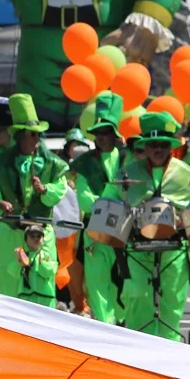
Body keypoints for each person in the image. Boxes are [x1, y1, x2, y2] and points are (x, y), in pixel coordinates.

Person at [97, 111, 190, 339]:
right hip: (138, 247)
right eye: (153, 145)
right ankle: (140, 348)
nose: (158, 149)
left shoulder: (185, 172)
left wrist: (183, 218)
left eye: (163, 145)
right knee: (137, 297)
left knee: (173, 299)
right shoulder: (127, 173)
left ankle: (171, 348)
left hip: (174, 246)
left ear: (170, 147)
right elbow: (108, 199)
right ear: (145, 147)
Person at [0, 94, 68, 299]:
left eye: (38, 134)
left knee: (43, 287)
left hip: (40, 233)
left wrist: (45, 190)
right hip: (11, 234)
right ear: (21, 136)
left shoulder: (53, 164)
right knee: (9, 288)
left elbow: (60, 190)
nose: (37, 139)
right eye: (32, 134)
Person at [71, 94, 126, 323]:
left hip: (122, 232)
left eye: (106, 132)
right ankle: (105, 328)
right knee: (96, 283)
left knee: (122, 281)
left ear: (114, 134)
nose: (101, 137)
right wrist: (111, 205)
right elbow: (84, 200)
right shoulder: (84, 163)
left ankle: (122, 325)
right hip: (94, 232)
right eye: (98, 133)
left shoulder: (127, 159)